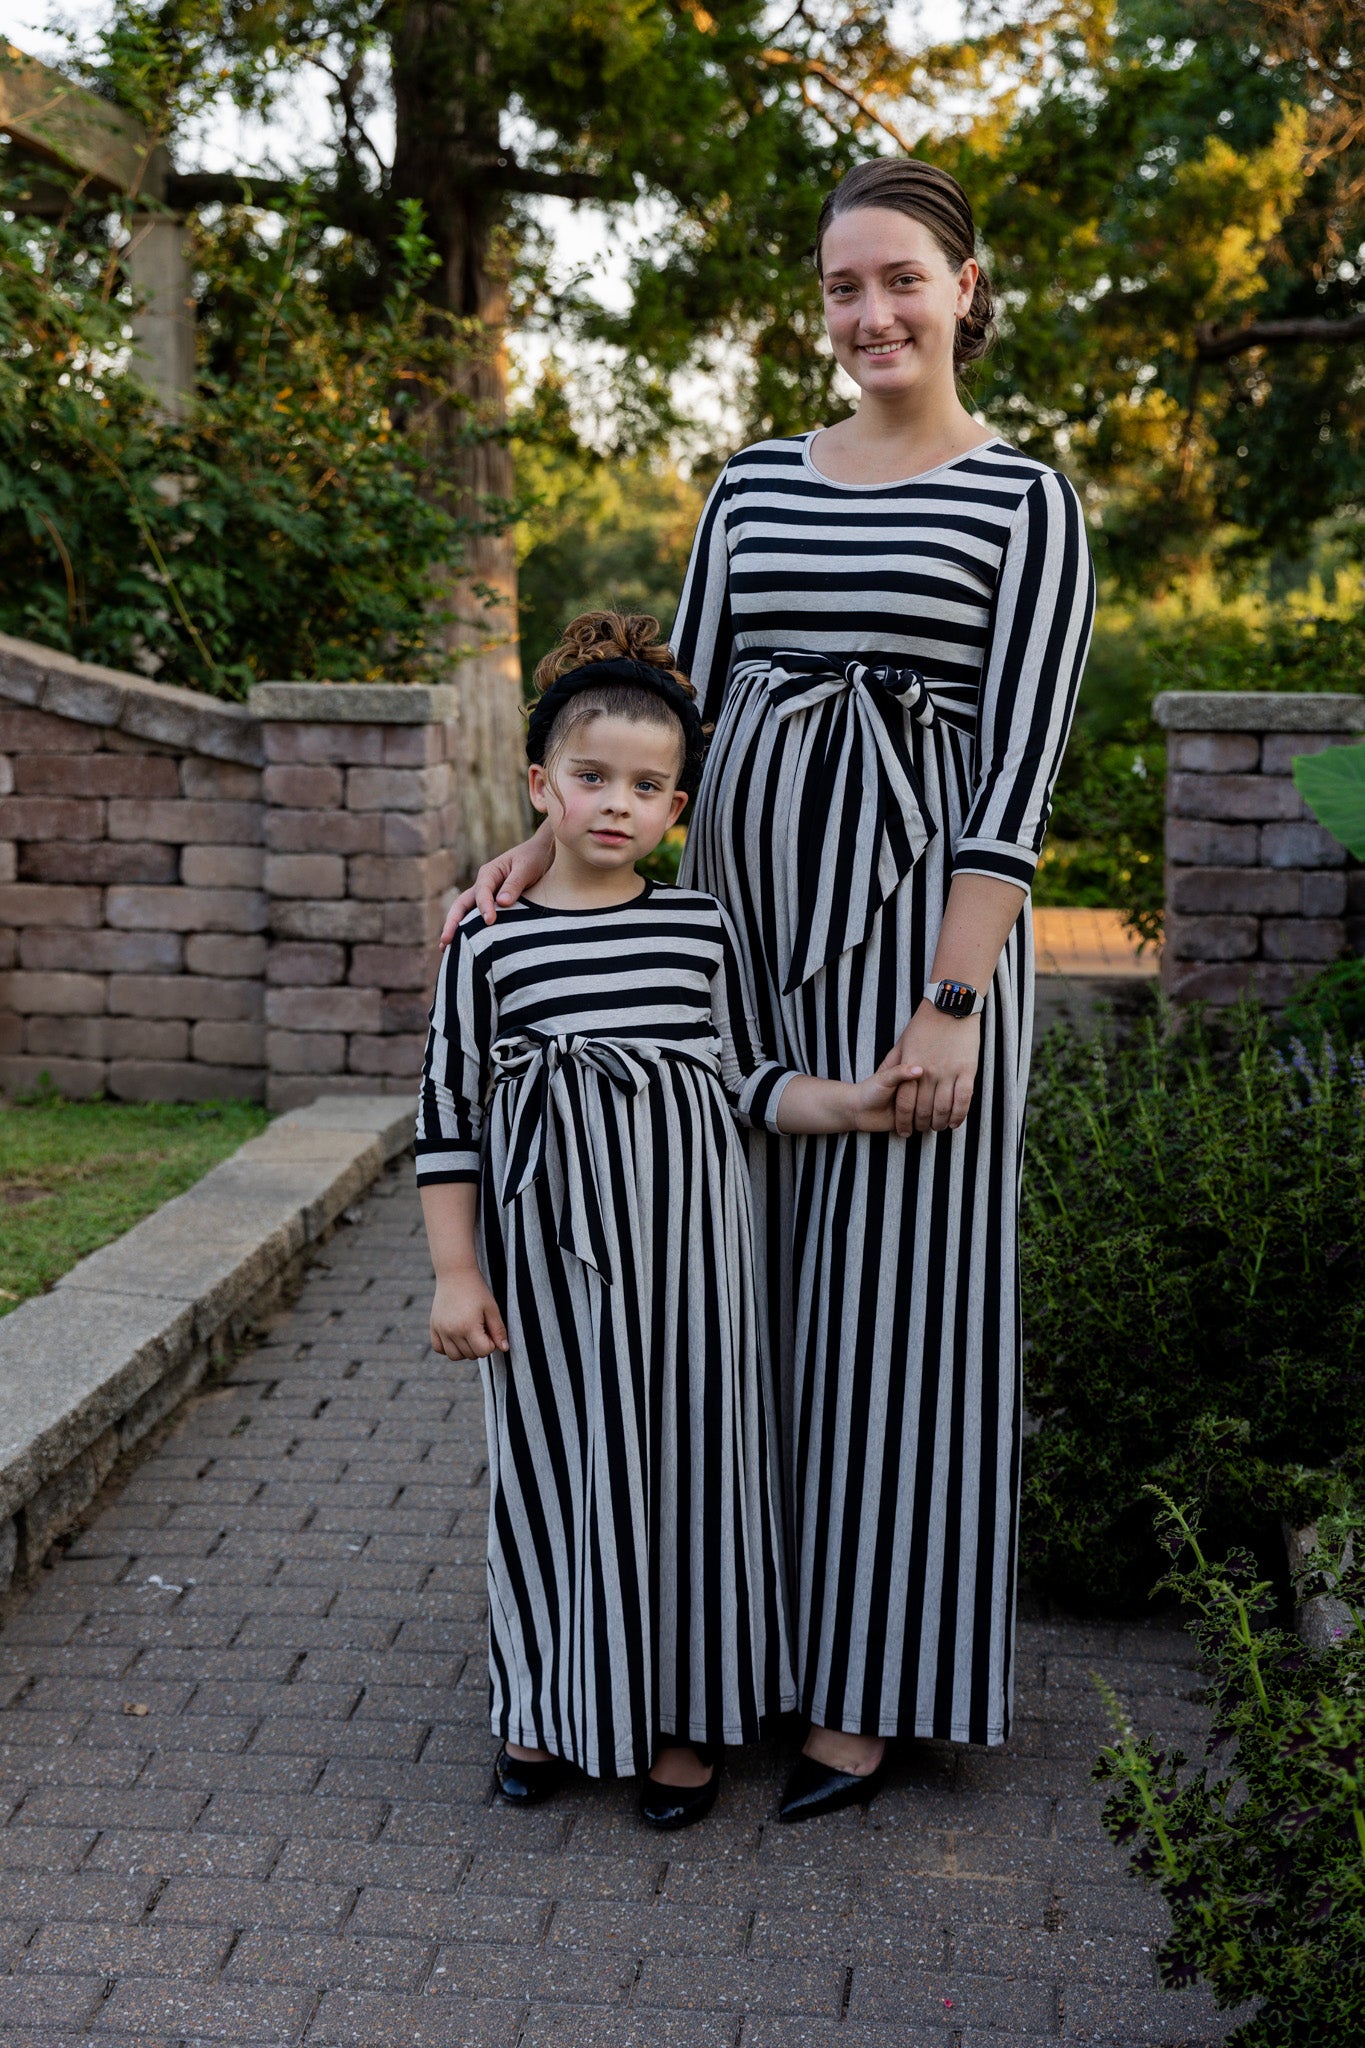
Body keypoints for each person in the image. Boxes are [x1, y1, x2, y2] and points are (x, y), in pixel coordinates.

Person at [443, 158, 1095, 1822]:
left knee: (903, 1324)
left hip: (918, 957)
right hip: (732, 951)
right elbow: (673, 724)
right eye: (841, 289)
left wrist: (950, 1004)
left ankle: (875, 1693)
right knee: (744, 1312)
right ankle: (732, 1653)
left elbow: (1013, 780)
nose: (870, 313)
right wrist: (540, 864)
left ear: (966, 286)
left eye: (901, 280)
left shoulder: (1025, 502)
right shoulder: (750, 488)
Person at [416, 611, 919, 1831]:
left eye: (646, 786)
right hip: (545, 1266)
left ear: (677, 804)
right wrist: (452, 1271)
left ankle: (687, 1722)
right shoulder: (488, 942)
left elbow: (745, 1075)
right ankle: (543, 1699)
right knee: (550, 1477)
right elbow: (447, 1108)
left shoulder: (698, 928)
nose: (614, 805)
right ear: (539, 785)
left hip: (697, 1264)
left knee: (696, 1474)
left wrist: (848, 1100)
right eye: (589, 778)